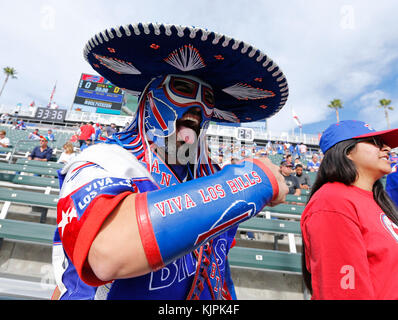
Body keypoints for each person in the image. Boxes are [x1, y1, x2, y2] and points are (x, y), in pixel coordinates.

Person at [51, 22, 289, 300]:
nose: (198, 107)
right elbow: (108, 254)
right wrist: (252, 180)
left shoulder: (208, 181)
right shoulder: (103, 161)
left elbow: (216, 272)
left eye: (208, 99)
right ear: (149, 99)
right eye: (183, 88)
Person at [301, 120, 398, 299]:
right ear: (347, 152)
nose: (387, 148)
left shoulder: (378, 200)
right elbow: (343, 293)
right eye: (375, 142)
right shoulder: (333, 201)